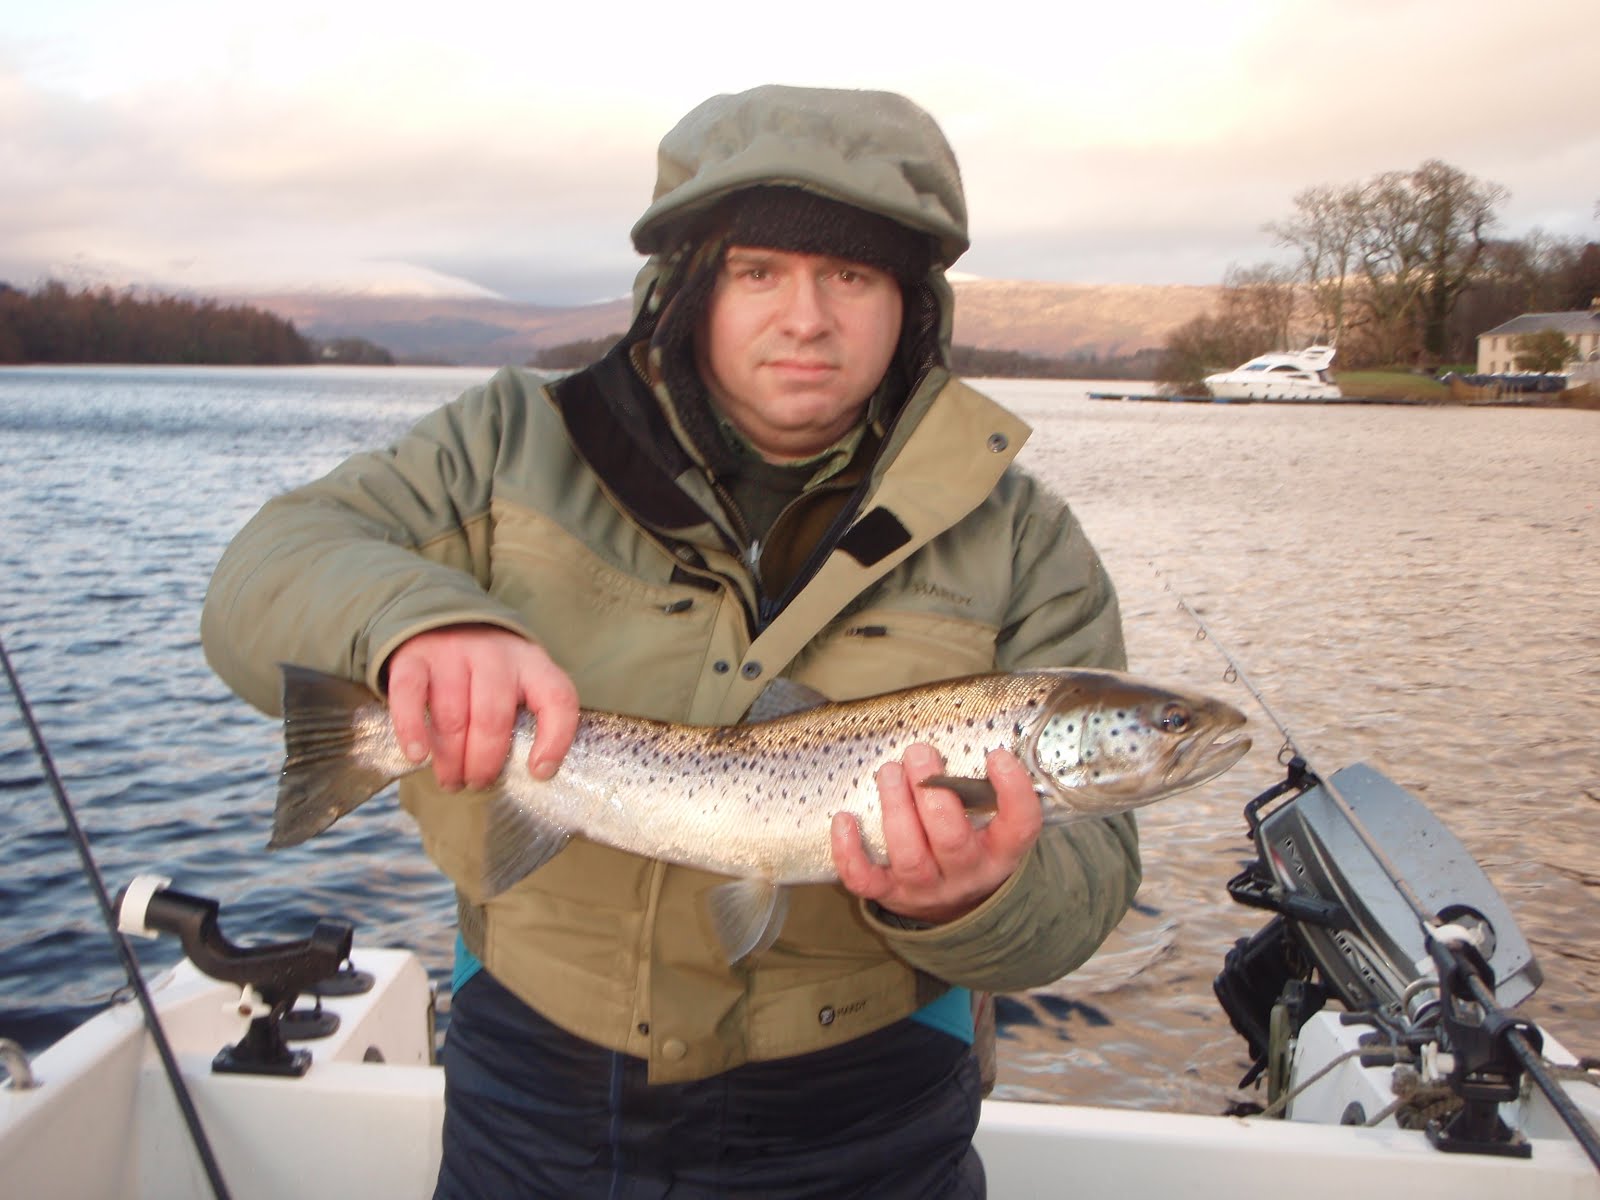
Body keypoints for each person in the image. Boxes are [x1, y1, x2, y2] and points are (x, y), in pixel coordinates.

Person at [201, 84, 1139, 1199]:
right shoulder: (506, 442)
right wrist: (419, 627)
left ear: (911, 303)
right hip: (535, 1084)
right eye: (759, 272)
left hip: (868, 1108)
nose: (807, 317)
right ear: (688, 286)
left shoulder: (1024, 539)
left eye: (851, 274)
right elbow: (262, 575)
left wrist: (975, 901)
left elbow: (1089, 882)